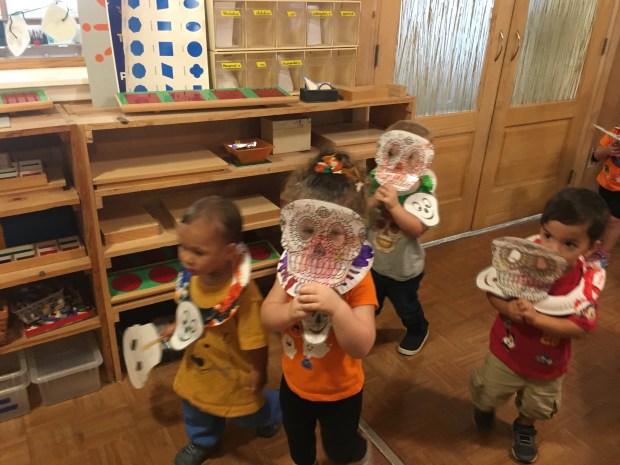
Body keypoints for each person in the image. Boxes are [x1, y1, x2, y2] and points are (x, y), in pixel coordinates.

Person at [470, 187, 609, 464]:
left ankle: (525, 427)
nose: (552, 249)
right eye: (547, 236)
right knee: (488, 391)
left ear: (591, 247)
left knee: (537, 404)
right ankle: (485, 406)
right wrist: (507, 308)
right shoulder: (522, 261)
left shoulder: (584, 284)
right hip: (505, 352)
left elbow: (582, 328)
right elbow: (492, 289)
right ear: (541, 228)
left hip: (548, 364)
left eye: (569, 244)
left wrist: (537, 319)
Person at [261, 151, 378, 465]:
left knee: (341, 449)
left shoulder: (358, 278)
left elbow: (362, 345)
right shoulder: (291, 268)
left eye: (335, 233)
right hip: (293, 384)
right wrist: (288, 312)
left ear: (353, 233)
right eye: (309, 230)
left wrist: (338, 309)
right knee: (299, 446)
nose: (318, 245)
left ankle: (360, 454)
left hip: (341, 392)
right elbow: (267, 316)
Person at [161, 196, 281, 465]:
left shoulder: (245, 295)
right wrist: (177, 326)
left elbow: (256, 340)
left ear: (228, 252)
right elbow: (190, 312)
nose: (186, 257)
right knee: (194, 405)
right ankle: (202, 441)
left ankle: (274, 409)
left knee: (246, 413)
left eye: (198, 252)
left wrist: (259, 371)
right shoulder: (191, 278)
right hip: (197, 366)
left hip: (234, 372)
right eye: (182, 247)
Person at [367, 120, 438, 355]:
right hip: (373, 263)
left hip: (404, 269)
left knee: (406, 307)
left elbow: (417, 229)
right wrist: (374, 199)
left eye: (409, 156)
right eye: (392, 153)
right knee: (368, 304)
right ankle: (363, 330)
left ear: (423, 159)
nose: (399, 163)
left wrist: (395, 206)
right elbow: (359, 211)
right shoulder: (375, 179)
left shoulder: (424, 188)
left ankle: (418, 328)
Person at [592, 124, 620, 266]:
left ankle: (603, 253)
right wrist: (607, 150)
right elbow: (596, 156)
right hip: (605, 184)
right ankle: (598, 243)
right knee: (602, 215)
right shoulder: (614, 132)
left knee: (614, 221)